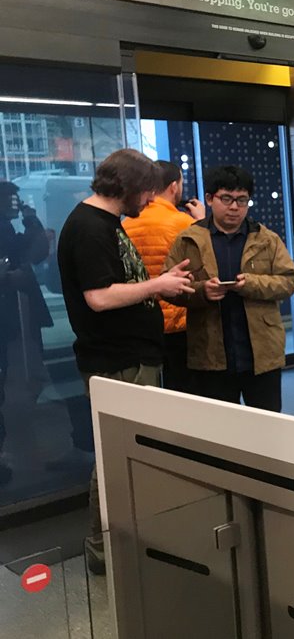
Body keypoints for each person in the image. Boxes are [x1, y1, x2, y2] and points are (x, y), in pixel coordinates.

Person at [57, 148, 195, 574]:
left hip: (129, 356)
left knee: (125, 452)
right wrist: (158, 284)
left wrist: (159, 285)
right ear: (130, 187)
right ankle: (107, 550)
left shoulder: (104, 222)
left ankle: (126, 544)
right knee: (117, 455)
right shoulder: (89, 228)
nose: (151, 200)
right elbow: (99, 298)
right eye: (148, 192)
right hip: (118, 361)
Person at [165, 165, 294, 412]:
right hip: (210, 354)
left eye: (242, 200)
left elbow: (289, 281)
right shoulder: (188, 240)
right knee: (219, 427)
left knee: (267, 424)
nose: (235, 207)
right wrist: (202, 291)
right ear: (209, 199)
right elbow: (169, 288)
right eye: (226, 199)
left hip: (261, 354)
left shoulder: (267, 239)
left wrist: (252, 284)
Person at [122, 161, 205, 391]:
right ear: (173, 187)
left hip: (142, 321)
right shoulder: (184, 223)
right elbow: (206, 260)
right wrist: (201, 222)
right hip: (180, 321)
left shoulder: (127, 223)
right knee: (185, 391)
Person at [0, 181, 53, 486]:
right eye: (9, 198)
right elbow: (28, 255)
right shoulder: (4, 228)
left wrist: (31, 223)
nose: (14, 203)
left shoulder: (8, 227)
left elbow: (31, 254)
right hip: (10, 318)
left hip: (19, 315)